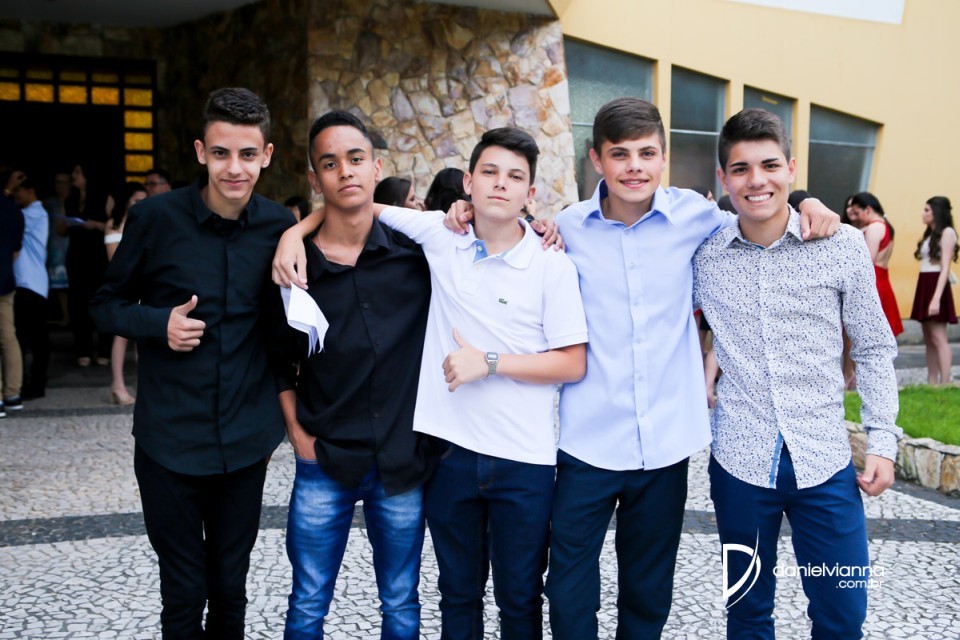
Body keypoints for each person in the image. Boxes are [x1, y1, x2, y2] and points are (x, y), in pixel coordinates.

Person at [440, 97, 840, 639]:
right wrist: (463, 209)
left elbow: (759, 206)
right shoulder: (565, 228)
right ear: (596, 159)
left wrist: (807, 200)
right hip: (587, 442)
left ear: (663, 158)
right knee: (567, 589)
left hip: (665, 444)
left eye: (647, 153)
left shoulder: (697, 218)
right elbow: (505, 229)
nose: (635, 166)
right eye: (620, 154)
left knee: (648, 592)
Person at [90, 87, 294, 639]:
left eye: (247, 154)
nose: (235, 168)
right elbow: (104, 306)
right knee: (183, 592)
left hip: (245, 443)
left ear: (266, 155)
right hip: (169, 442)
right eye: (221, 153)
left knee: (230, 587)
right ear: (201, 152)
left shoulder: (280, 226)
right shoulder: (154, 218)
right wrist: (158, 323)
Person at [694, 107, 900, 639]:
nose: (756, 180)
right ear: (723, 178)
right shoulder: (703, 255)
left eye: (769, 165)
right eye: (740, 169)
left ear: (790, 168)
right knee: (747, 614)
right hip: (740, 463)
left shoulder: (840, 245)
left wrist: (883, 441)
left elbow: (874, 346)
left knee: (842, 614)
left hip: (824, 461)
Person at [377, 128, 587, 639]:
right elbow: (358, 205)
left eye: (514, 177)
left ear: (529, 193)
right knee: (458, 595)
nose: (500, 184)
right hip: (450, 454)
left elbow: (572, 364)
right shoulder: (441, 234)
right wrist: (296, 232)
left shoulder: (551, 263)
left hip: (524, 461)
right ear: (468, 183)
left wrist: (489, 362)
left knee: (519, 599)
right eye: (489, 172)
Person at [275, 111, 437, 640]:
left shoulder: (417, 256)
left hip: (400, 459)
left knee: (402, 602)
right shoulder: (294, 269)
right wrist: (297, 434)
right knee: (307, 604)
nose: (344, 171)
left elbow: (486, 227)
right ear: (314, 178)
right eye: (330, 163)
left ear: (376, 167)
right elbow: (277, 358)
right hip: (324, 458)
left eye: (356, 158)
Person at [103, 181, 147, 405]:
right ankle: (118, 385)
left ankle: (144, 387)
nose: (141, 204)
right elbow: (115, 262)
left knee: (143, 337)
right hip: (125, 285)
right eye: (137, 200)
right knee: (121, 336)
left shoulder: (146, 221)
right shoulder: (115, 223)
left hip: (145, 284)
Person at [65, 163, 111, 366]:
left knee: (101, 301)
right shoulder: (70, 199)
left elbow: (115, 224)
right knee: (78, 303)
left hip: (99, 256)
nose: (73, 175)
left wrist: (95, 224)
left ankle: (104, 350)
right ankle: (82, 349)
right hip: (76, 256)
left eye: (77, 172)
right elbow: (62, 229)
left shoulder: (104, 197)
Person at [911, 195, 958, 384]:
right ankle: (932, 381)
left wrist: (936, 298)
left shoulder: (947, 232)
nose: (923, 214)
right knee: (929, 338)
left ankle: (945, 381)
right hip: (925, 282)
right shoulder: (930, 234)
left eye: (927, 210)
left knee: (939, 337)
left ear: (937, 211)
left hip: (935, 284)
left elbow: (945, 267)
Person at [12, 176, 50, 403]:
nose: (15, 194)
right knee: (29, 338)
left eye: (18, 190)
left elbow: (8, 217)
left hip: (30, 283)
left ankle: (35, 383)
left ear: (31, 191)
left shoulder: (34, 212)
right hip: (29, 282)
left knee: (33, 339)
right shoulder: (30, 213)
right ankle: (30, 382)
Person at [849, 192, 904, 337]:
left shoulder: (874, 227)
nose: (856, 217)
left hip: (873, 282)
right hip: (883, 281)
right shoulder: (886, 226)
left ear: (868, 209)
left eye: (857, 212)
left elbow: (868, 261)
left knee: (866, 334)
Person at [0, 170, 25, 417]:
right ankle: (12, 394)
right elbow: (16, 250)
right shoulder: (13, 211)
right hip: (5, 277)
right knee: (9, 337)